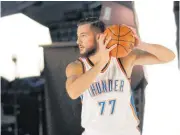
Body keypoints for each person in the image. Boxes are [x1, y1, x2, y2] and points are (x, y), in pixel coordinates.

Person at [65, 17, 175, 135]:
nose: (78, 42)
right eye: (78, 36)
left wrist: (141, 45)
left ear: (100, 37)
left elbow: (168, 57)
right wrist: (102, 61)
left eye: (83, 36)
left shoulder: (123, 59)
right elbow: (73, 92)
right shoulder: (77, 67)